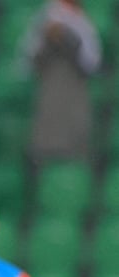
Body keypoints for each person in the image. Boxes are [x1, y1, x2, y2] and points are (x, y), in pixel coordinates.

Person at [21, 0, 102, 166]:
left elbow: (91, 63)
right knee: (47, 151)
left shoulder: (83, 22)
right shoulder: (44, 17)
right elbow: (29, 61)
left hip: (74, 96)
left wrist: (67, 38)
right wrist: (48, 38)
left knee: (74, 157)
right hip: (50, 96)